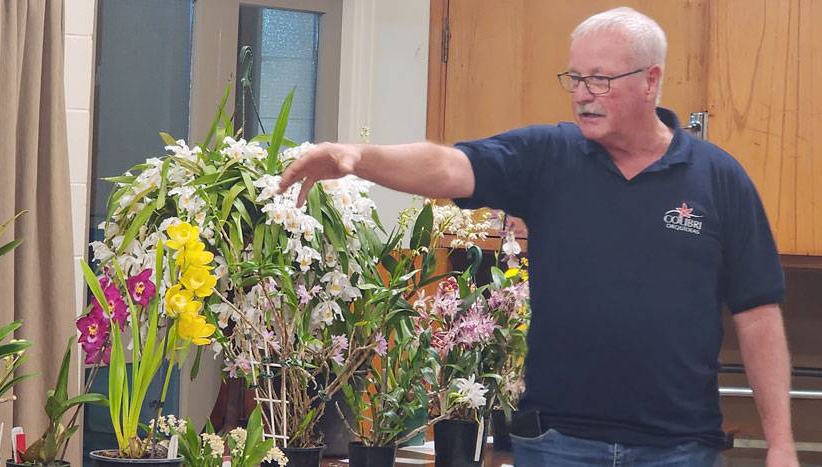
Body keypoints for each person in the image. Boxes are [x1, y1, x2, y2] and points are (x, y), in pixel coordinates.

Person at [278, 7, 798, 467]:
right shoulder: (547, 156)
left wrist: (780, 444)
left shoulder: (718, 178)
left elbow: (758, 316)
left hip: (681, 448)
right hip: (558, 443)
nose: (582, 95)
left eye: (600, 80)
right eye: (574, 78)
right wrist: (358, 159)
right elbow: (449, 165)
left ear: (650, 80)